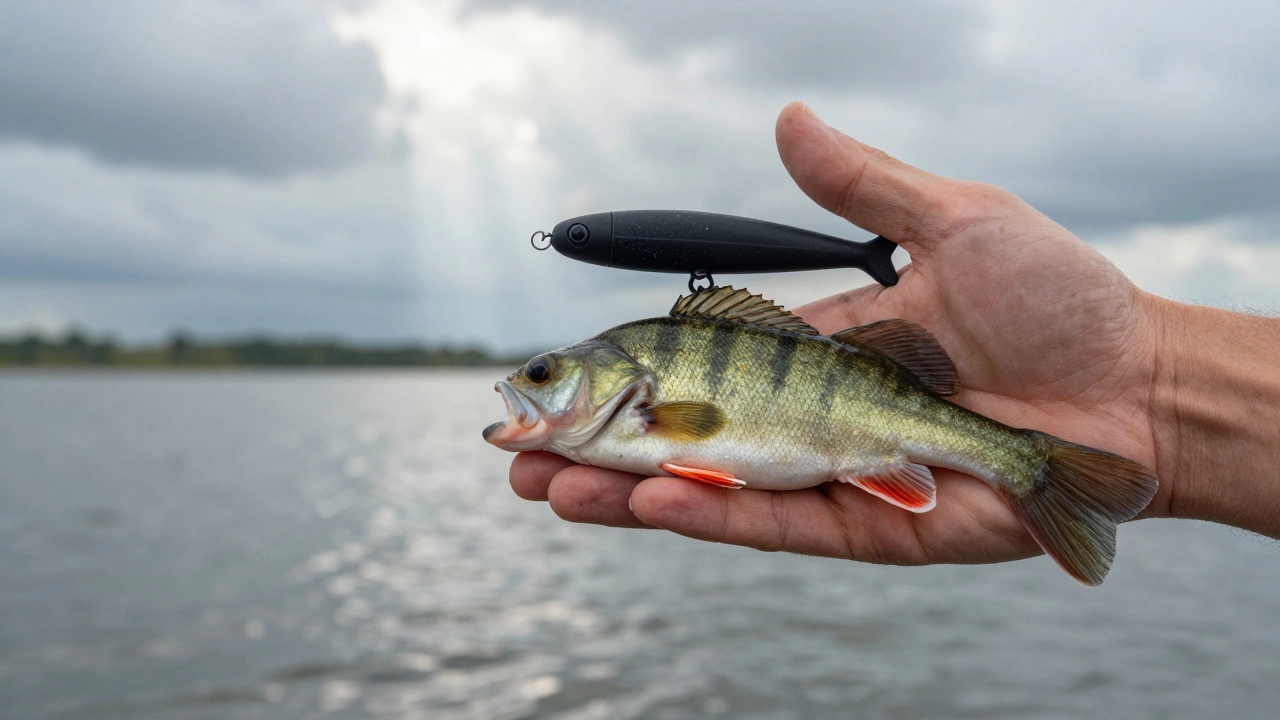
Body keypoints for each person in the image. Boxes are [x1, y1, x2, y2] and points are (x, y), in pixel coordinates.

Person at [507, 102, 1280, 568]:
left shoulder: (638, 402)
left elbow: (699, 429)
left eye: (543, 374)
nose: (528, 385)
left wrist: (1152, 383)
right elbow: (699, 437)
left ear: (621, 383)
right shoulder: (631, 409)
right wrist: (1162, 393)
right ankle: (1034, 468)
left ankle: (1029, 465)